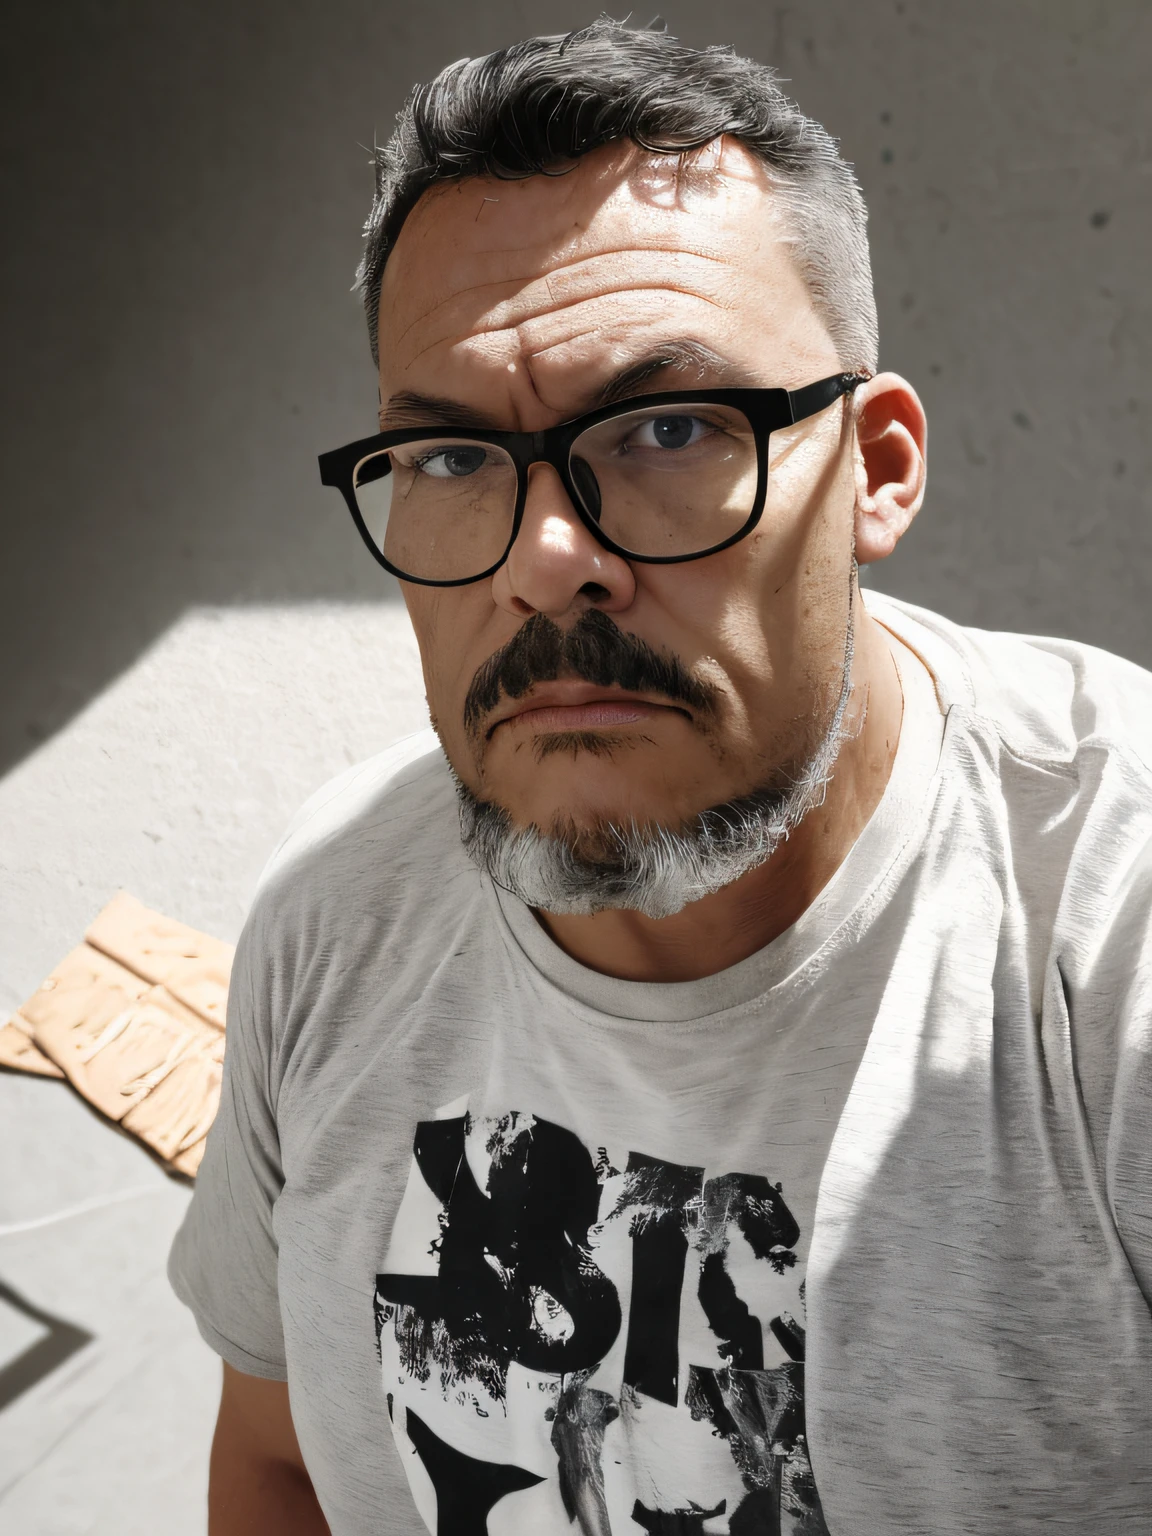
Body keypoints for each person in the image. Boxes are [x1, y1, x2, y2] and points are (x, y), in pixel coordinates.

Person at [169, 19, 1152, 1536]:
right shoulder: (338, 916)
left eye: (669, 429)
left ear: (877, 467)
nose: (549, 562)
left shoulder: (1107, 936)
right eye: (448, 460)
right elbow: (285, 1463)